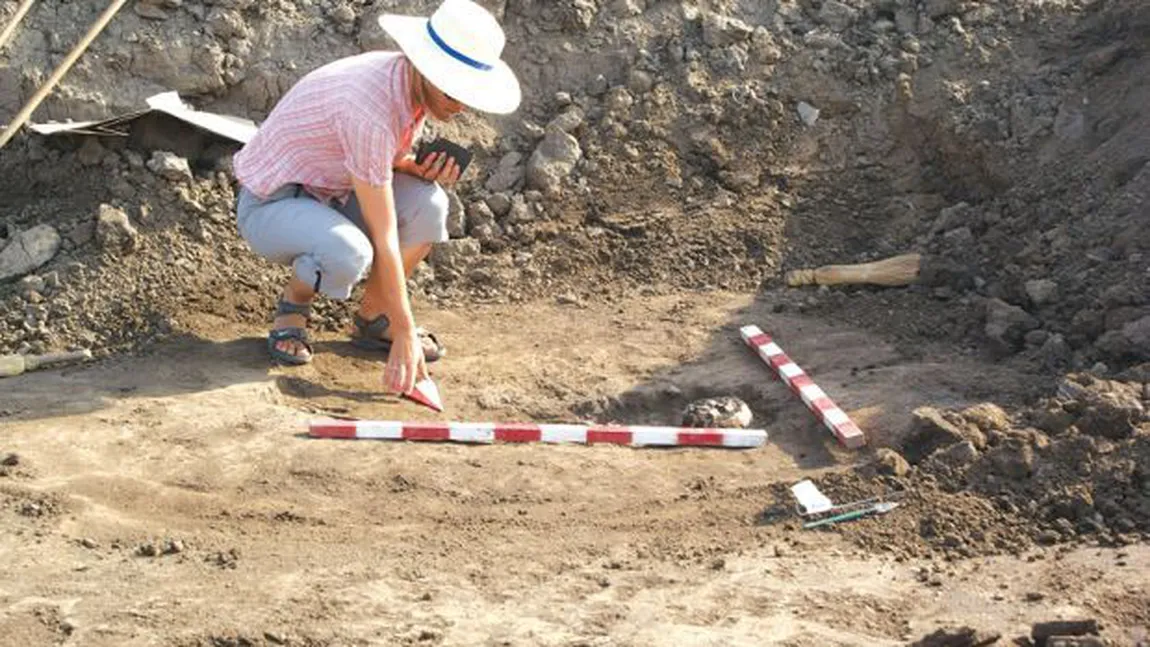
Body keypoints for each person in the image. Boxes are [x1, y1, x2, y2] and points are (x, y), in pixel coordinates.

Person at [232, 0, 521, 397]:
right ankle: (293, 306)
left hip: (330, 195)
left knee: (430, 203)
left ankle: (374, 318)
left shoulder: (407, 85)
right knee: (350, 252)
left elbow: (368, 160)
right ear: (425, 67)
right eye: (454, 91)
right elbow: (383, 232)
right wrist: (407, 330)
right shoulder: (367, 106)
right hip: (271, 206)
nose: (461, 105)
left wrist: (407, 166)